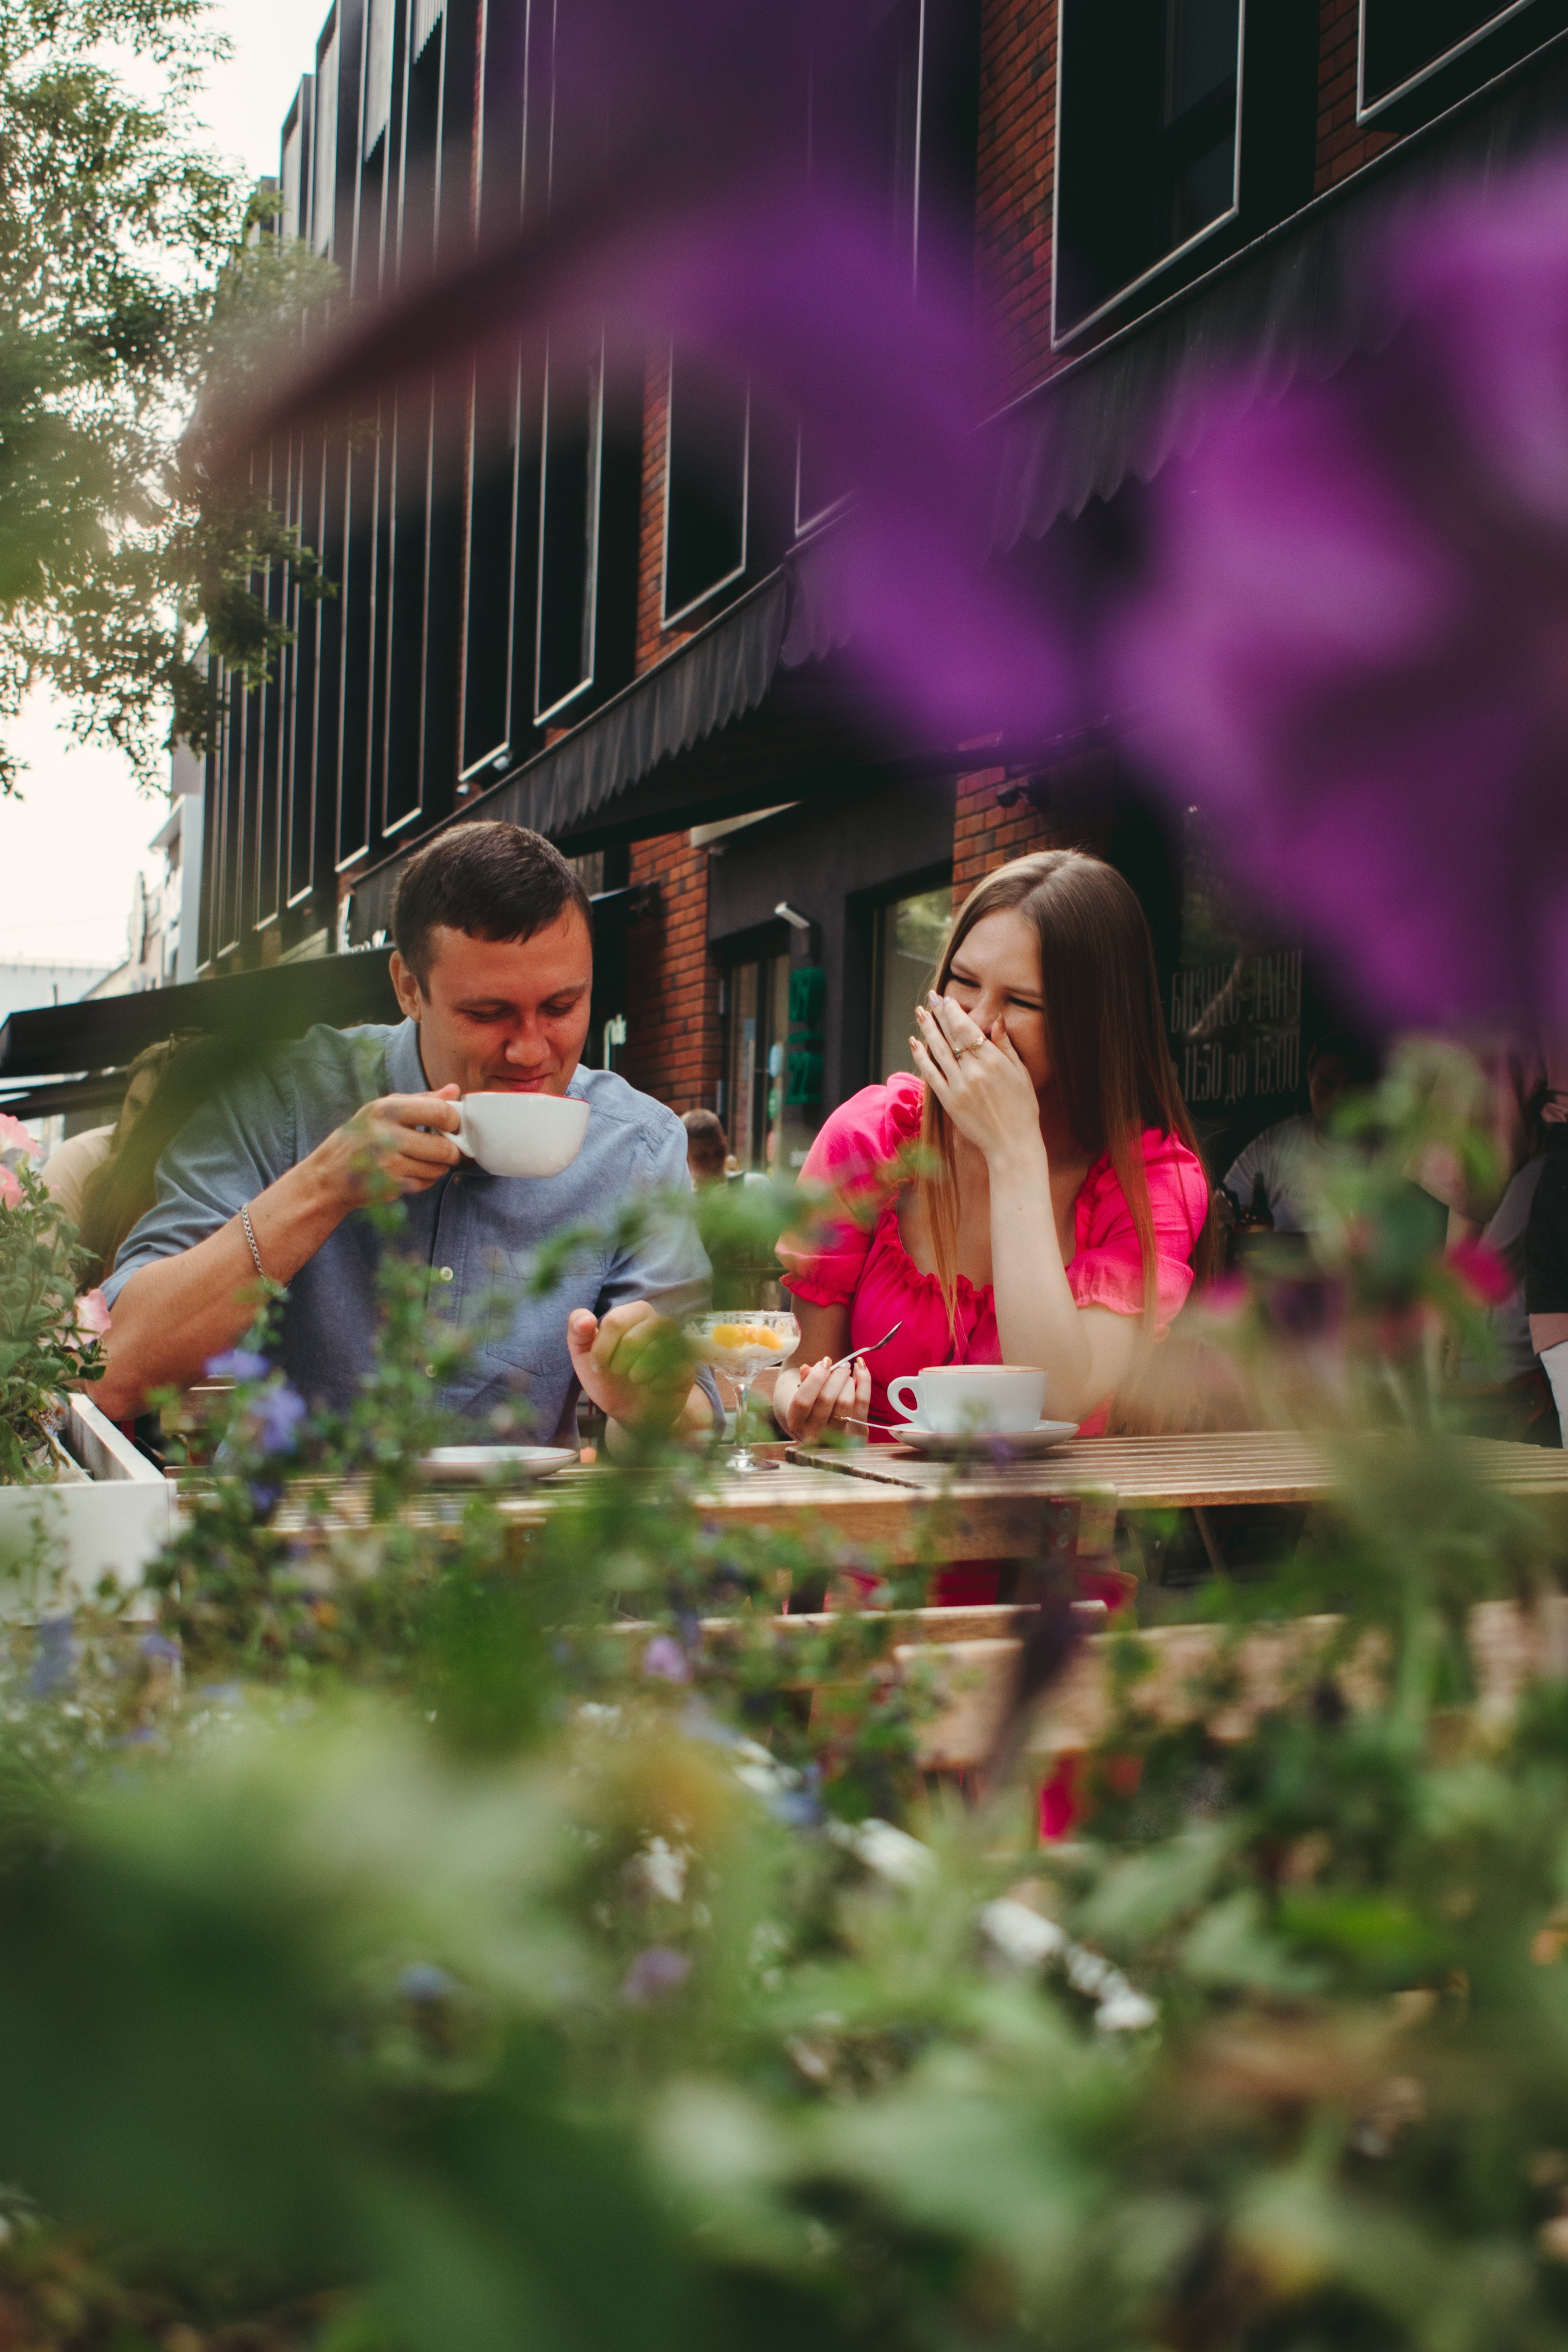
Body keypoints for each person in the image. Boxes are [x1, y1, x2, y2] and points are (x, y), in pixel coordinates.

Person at [96, 823, 715, 1448]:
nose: (531, 1050)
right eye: (486, 1012)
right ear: (409, 988)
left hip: (512, 1540)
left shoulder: (634, 1144)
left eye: (560, 1008)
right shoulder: (281, 1100)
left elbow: (693, 1425)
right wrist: (320, 1188)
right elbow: (117, 1370)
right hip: (290, 1535)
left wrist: (651, 1407)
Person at [771, 850, 1212, 1447]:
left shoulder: (1151, 1181)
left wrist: (1013, 1155)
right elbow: (802, 1372)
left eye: (1023, 1003)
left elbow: (1057, 1397)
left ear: (1093, 1026)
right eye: (964, 983)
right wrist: (797, 1400)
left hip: (1049, 1531)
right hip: (866, 1524)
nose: (976, 1024)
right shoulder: (870, 1137)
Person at [1220, 1033, 1378, 1235]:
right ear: (1309, 1080)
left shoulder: (1392, 1151)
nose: (1338, 1099)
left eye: (1349, 1087)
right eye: (1327, 1084)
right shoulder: (1277, 1143)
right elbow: (1222, 1206)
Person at [682, 1109, 729, 1188]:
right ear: (685, 1158)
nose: (714, 1163)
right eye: (702, 1157)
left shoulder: (751, 1188)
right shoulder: (680, 1199)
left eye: (719, 1153)